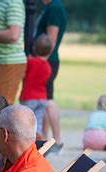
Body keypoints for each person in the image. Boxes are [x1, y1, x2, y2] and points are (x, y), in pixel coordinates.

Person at [34, 0, 67, 153]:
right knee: (45, 99)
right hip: (46, 60)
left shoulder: (54, 8)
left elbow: (51, 39)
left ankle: (57, 140)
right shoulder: (51, 7)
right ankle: (46, 138)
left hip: (47, 60)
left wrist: (41, 63)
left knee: (48, 100)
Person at [19, 34, 52, 135]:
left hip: (28, 97)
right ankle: (37, 144)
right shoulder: (48, 67)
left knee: (24, 123)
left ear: (34, 48)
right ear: (50, 51)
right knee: (38, 123)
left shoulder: (30, 62)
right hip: (42, 98)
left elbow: (23, 74)